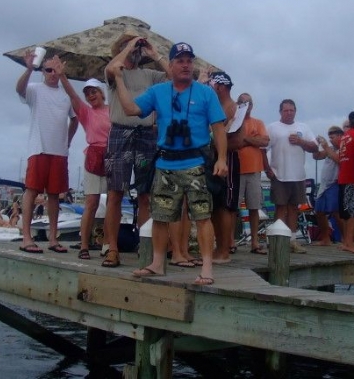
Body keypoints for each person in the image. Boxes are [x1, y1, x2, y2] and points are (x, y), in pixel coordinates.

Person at [108, 41, 227, 286]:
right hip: (165, 163)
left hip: (196, 162)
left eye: (189, 61)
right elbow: (130, 109)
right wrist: (119, 80)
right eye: (180, 61)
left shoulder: (206, 93)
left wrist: (222, 159)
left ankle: (206, 268)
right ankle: (157, 263)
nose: (185, 65)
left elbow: (218, 127)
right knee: (160, 216)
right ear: (170, 66)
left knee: (203, 216)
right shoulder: (159, 91)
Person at [102, 29, 171, 268]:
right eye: (132, 48)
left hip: (145, 135)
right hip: (120, 133)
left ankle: (145, 246)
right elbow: (112, 68)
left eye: (137, 47)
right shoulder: (114, 72)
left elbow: (174, 79)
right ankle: (112, 248)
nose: (136, 51)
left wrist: (155, 54)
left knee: (145, 195)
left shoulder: (150, 75)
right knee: (115, 193)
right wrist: (128, 45)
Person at [16, 49, 78, 254]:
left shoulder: (65, 95)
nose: (52, 73)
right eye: (48, 70)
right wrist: (28, 69)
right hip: (39, 148)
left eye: (56, 70)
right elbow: (19, 89)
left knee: (54, 195)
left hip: (59, 151)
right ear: (42, 71)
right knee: (32, 190)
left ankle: (53, 238)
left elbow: (75, 119)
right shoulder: (35, 89)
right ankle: (26, 236)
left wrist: (67, 142)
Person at [53, 56, 111, 260]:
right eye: (87, 94)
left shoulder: (113, 110)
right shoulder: (86, 113)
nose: (90, 96)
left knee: (113, 202)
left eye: (94, 92)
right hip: (94, 158)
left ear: (102, 93)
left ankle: (108, 244)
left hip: (113, 157)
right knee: (92, 202)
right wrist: (62, 77)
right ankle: (84, 245)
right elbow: (72, 96)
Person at [263, 99, 318, 254]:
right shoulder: (272, 127)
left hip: (298, 175)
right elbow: (263, 149)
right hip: (279, 174)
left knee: (294, 208)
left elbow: (314, 147)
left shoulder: (303, 127)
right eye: (286, 110)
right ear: (280, 112)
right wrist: (267, 169)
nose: (289, 113)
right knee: (280, 207)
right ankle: (278, 240)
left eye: (291, 110)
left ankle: (292, 240)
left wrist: (300, 141)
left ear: (295, 111)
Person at [207, 71, 244, 263]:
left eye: (212, 85)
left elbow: (239, 141)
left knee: (226, 206)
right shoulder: (215, 106)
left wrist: (216, 144)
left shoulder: (234, 109)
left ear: (220, 87)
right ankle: (219, 247)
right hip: (212, 159)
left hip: (228, 159)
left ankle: (225, 249)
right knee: (214, 206)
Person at [235, 92, 270, 255]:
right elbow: (234, 141)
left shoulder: (259, 122)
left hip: (254, 170)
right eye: (242, 102)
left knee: (254, 207)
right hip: (235, 170)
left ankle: (255, 241)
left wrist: (246, 139)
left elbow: (265, 141)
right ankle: (230, 241)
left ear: (252, 105)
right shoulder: (233, 121)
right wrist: (252, 139)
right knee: (232, 208)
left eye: (248, 103)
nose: (246, 105)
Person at [337, 111, 354, 254]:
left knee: (347, 212)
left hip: (343, 177)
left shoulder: (345, 136)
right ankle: (349, 242)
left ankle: (346, 241)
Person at [311, 126, 344, 247]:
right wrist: (316, 146)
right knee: (319, 211)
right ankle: (325, 238)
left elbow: (339, 160)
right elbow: (317, 156)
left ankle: (346, 239)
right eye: (329, 137)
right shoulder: (330, 148)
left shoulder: (343, 149)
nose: (330, 140)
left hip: (335, 183)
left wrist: (325, 146)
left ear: (340, 136)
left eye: (333, 137)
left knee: (336, 212)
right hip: (324, 185)